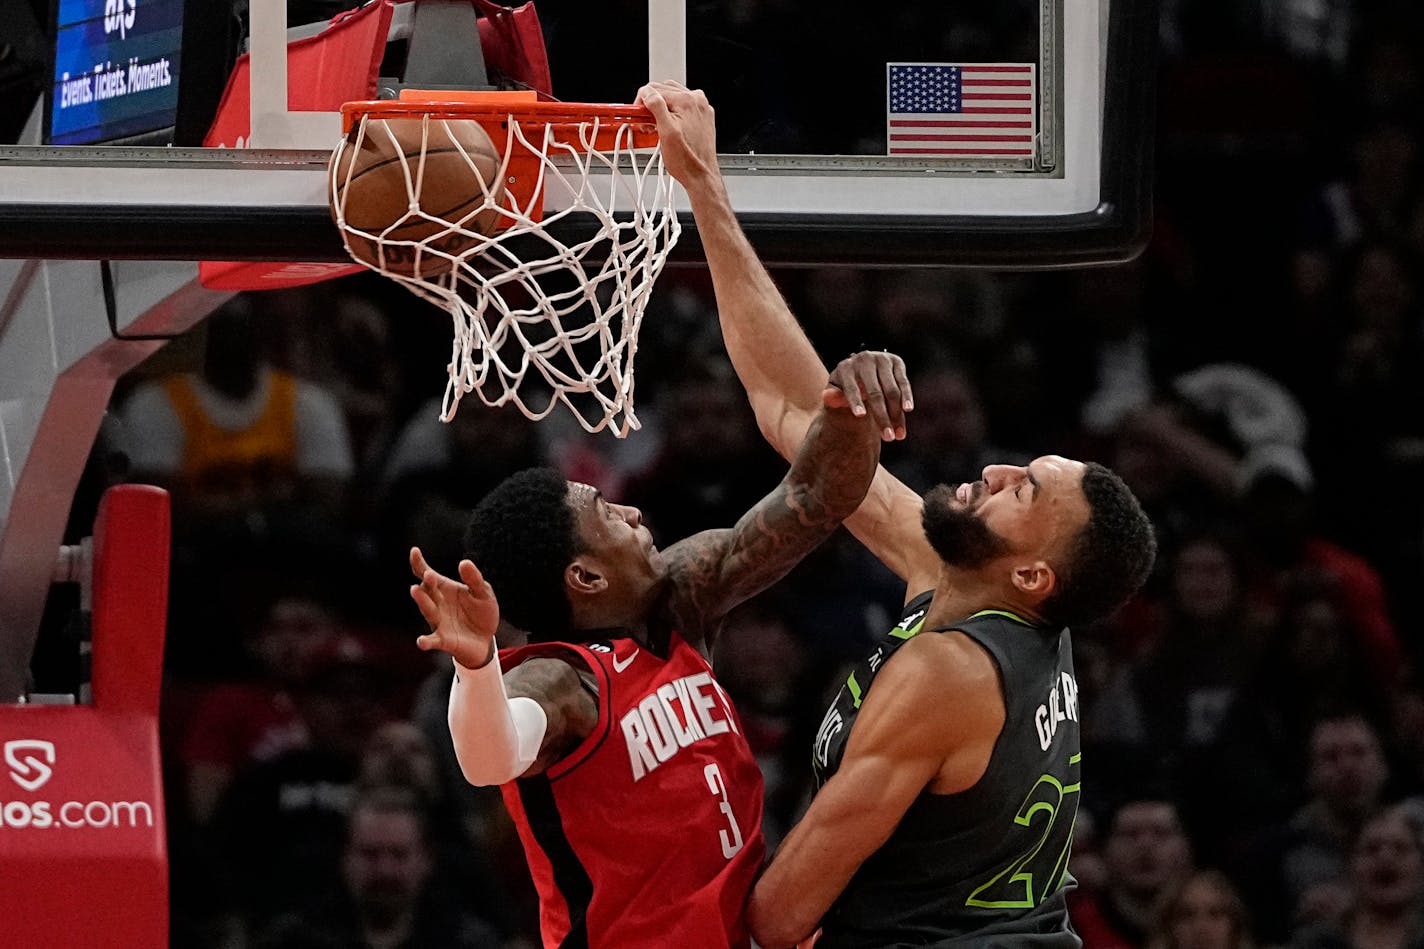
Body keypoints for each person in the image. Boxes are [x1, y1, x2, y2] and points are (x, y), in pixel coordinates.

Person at [638, 79, 1159, 948]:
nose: (995, 469)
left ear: (1033, 573)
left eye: (1025, 487)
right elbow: (783, 405)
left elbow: (779, 916)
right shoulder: (976, 586)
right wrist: (704, 191)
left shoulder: (948, 676)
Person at [407, 351, 897, 948]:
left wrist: (852, 407)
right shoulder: (560, 680)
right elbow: (488, 760)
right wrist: (476, 665)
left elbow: (818, 493)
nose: (633, 511)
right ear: (586, 577)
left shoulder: (680, 598)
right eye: (607, 513)